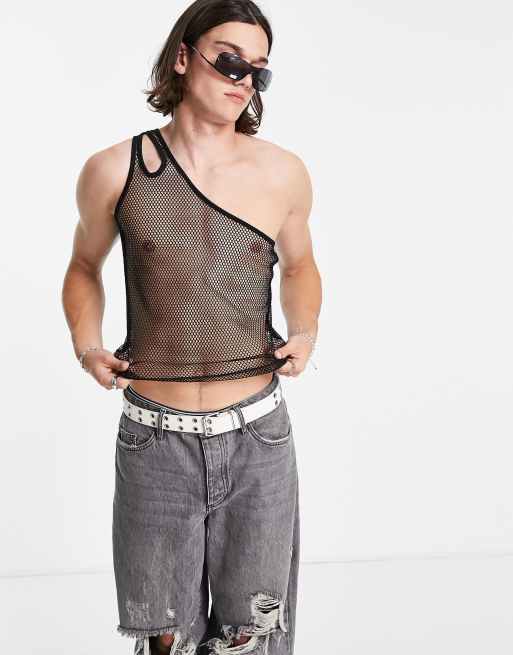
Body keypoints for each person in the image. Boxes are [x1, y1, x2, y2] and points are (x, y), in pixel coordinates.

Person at [61, 1, 321, 653]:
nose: (244, 80)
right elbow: (83, 268)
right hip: (155, 441)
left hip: (258, 438)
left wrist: (305, 329)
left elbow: (300, 265)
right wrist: (88, 346)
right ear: (183, 57)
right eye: (230, 61)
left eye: (258, 70)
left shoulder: (281, 171)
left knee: (252, 636)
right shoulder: (115, 169)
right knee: (165, 641)